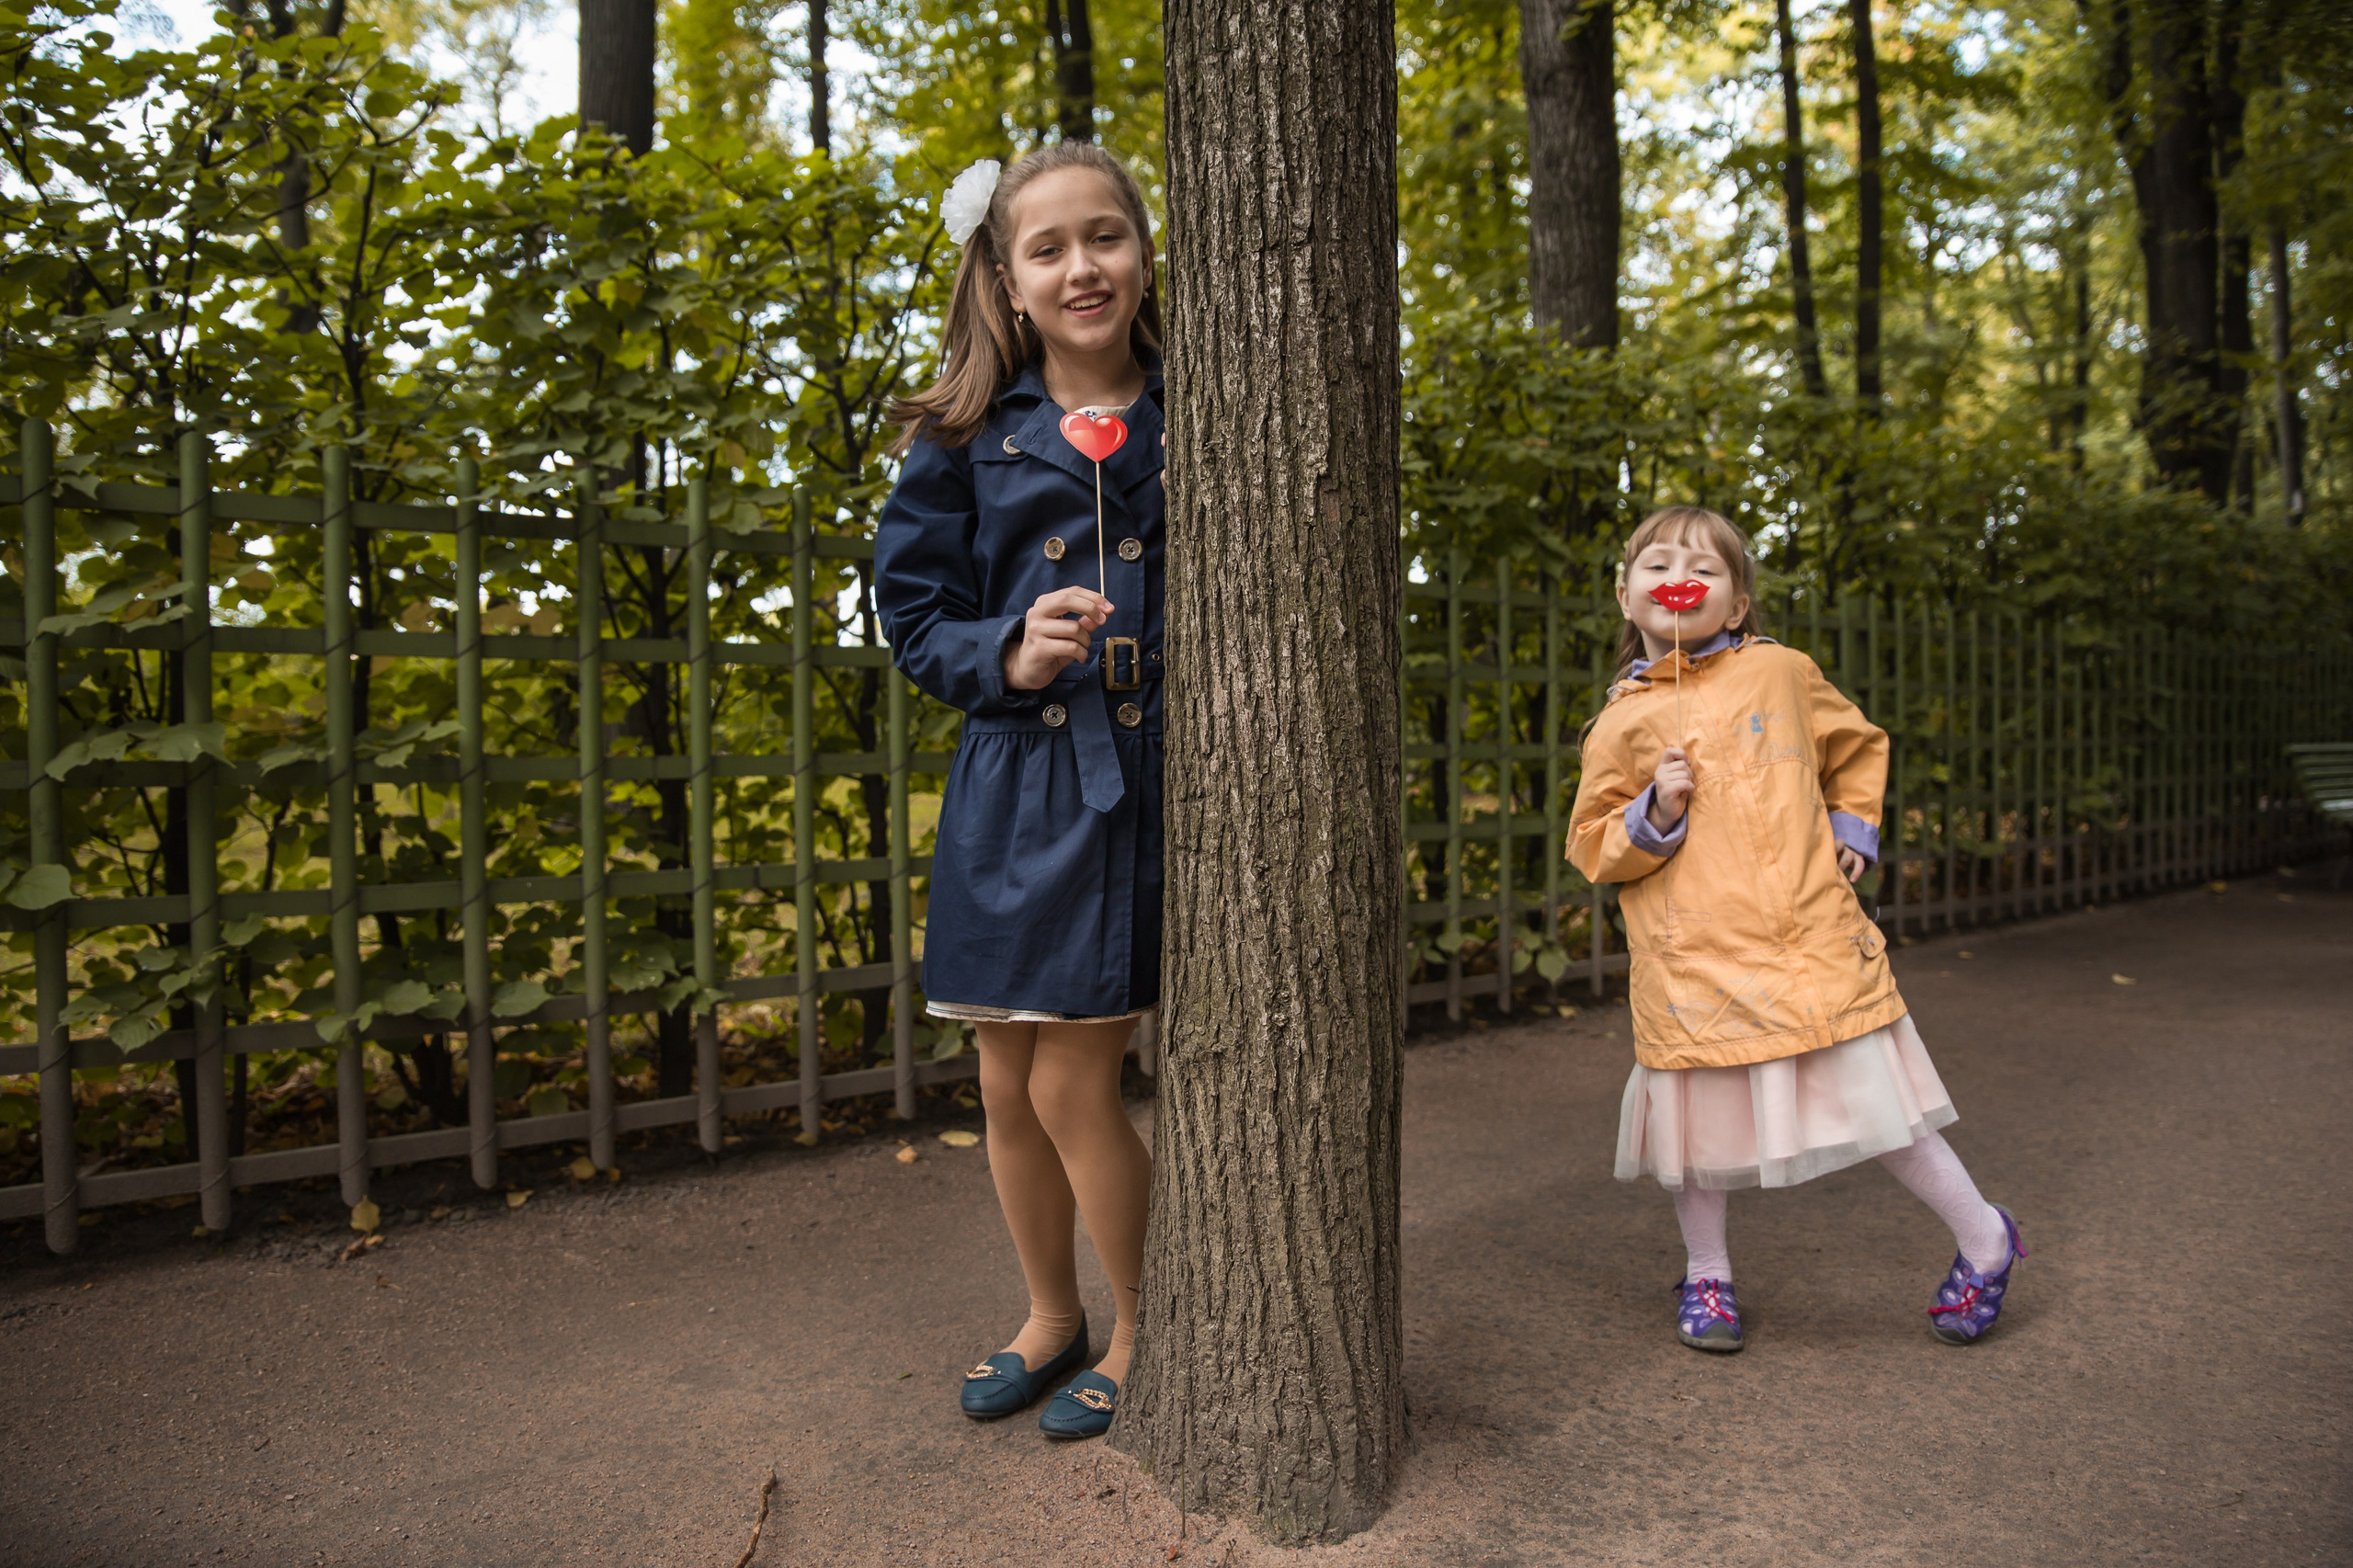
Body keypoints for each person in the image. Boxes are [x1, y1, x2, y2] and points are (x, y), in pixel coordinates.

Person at [1568, 506, 2024, 1352]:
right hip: (1690, 961)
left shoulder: (1782, 672)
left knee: (1878, 1107)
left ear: (1738, 604)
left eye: (1704, 567)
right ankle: (1708, 1273)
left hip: (1803, 940)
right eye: (1658, 564)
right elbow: (1592, 847)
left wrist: (1854, 824)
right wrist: (1652, 811)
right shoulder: (1621, 722)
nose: (1680, 577)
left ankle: (1986, 1236)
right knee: (1694, 1130)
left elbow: (1856, 745)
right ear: (1627, 597)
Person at [873, 144, 1165, 1438]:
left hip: (1122, 784)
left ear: (1143, 252)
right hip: (1008, 780)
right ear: (1005, 274)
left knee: (1069, 1084)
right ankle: (1052, 1314)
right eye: (1047, 247)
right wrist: (1004, 645)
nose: (1081, 266)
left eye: (1105, 236)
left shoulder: (1197, 413)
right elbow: (912, 610)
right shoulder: (964, 436)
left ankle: (1153, 1318)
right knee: (1001, 1083)